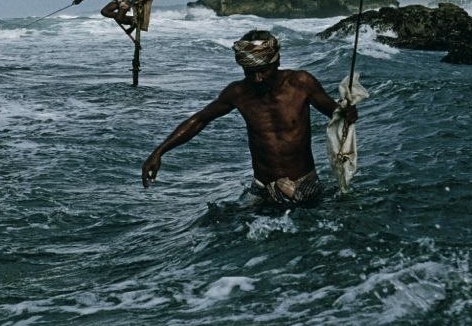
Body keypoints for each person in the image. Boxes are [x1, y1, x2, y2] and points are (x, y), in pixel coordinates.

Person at [141, 30, 359, 211]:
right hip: (262, 188)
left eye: (263, 70)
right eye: (250, 72)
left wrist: (347, 112)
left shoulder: (301, 83)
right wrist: (159, 152)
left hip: (304, 184)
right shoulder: (238, 93)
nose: (257, 78)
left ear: (277, 61)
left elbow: (335, 113)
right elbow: (200, 119)